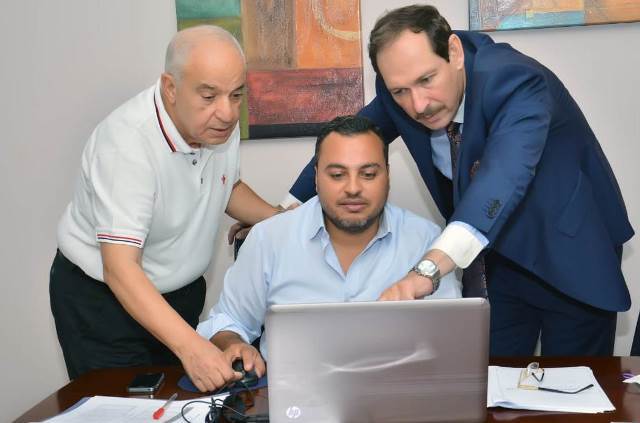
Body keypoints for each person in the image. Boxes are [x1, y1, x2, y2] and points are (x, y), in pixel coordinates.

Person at [286, 5, 633, 356]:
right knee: (488, 378)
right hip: (494, 255)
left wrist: (425, 272)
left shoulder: (515, 79)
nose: (418, 105)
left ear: (453, 52)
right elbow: (347, 142)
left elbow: (501, 178)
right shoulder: (399, 86)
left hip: (569, 249)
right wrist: (286, 209)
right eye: (400, 91)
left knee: (573, 384)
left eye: (426, 80)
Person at [50, 25, 281, 391]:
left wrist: (282, 221)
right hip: (107, 304)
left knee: (183, 403)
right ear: (171, 88)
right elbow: (120, 268)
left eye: (237, 94)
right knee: (126, 408)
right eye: (209, 96)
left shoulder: (216, 123)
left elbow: (225, 186)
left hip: (179, 295)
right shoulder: (127, 144)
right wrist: (193, 348)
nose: (227, 112)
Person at [196, 115, 460, 384]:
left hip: (397, 391)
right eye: (337, 175)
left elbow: (453, 333)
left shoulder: (426, 241)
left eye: (368, 174)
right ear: (316, 179)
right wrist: (234, 344)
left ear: (387, 177)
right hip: (293, 394)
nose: (353, 188)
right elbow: (227, 320)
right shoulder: (269, 238)